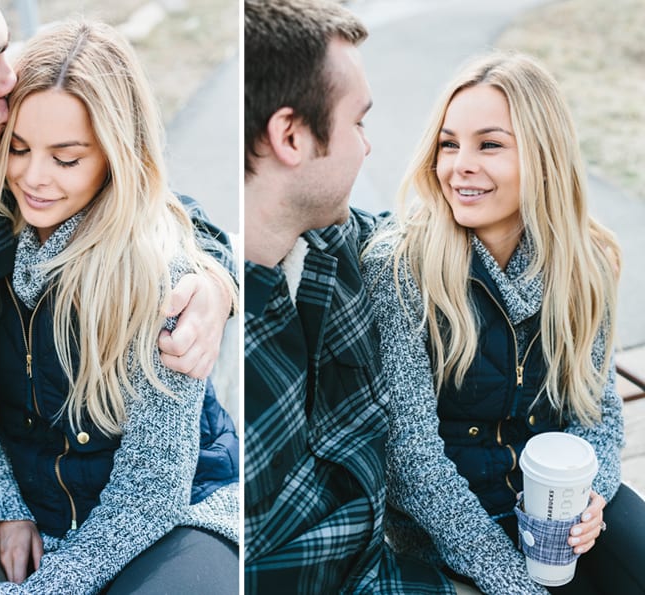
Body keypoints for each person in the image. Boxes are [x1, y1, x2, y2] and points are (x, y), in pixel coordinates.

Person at [0, 1, 234, 592]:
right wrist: (6, 503)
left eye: (6, 51)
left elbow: (151, 207)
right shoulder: (2, 186)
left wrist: (215, 282)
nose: (10, 79)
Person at [361, 51, 645, 595]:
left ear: (543, 157)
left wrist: (595, 494)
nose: (459, 165)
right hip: (450, 528)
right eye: (449, 144)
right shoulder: (400, 269)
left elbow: (599, 413)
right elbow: (412, 462)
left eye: (489, 145)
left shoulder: (588, 262)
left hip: (560, 508)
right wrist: (510, 579)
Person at [243, 0, 458, 592]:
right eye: (358, 122)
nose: (367, 147)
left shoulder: (339, 241)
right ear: (290, 135)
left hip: (402, 569)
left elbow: (426, 239)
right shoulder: (211, 338)